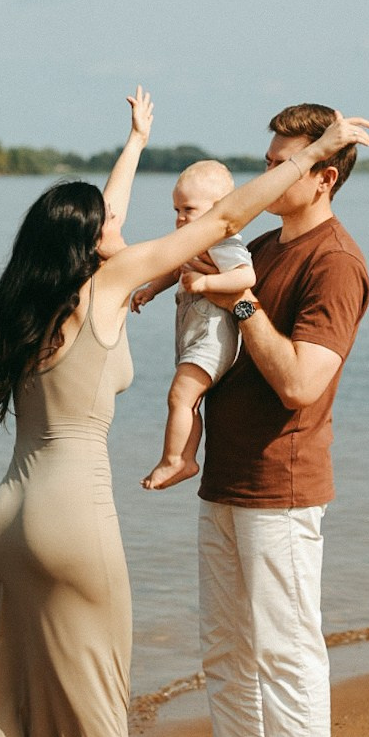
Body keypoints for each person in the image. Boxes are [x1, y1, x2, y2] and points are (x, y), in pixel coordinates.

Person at [0, 89, 369, 737]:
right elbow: (212, 224)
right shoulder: (129, 277)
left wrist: (137, 144)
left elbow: (296, 377)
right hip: (92, 510)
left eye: (282, 163)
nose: (122, 226)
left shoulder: (32, 300)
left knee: (11, 690)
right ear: (89, 241)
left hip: (16, 511)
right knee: (122, 680)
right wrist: (319, 146)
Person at [172, 102, 369, 737]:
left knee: (286, 654)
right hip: (224, 477)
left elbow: (297, 382)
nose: (267, 175)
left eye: (284, 163)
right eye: (266, 162)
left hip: (282, 485)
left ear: (322, 176)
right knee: (225, 653)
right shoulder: (258, 246)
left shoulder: (335, 262)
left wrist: (242, 302)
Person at [131, 160, 256, 491]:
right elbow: (174, 270)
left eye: (188, 209)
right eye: (177, 210)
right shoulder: (192, 242)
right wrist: (150, 290)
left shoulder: (224, 243)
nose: (180, 218)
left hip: (212, 339)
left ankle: (174, 459)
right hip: (192, 338)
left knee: (179, 397)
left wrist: (207, 283)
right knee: (188, 402)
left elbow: (246, 276)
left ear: (218, 209)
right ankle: (185, 459)